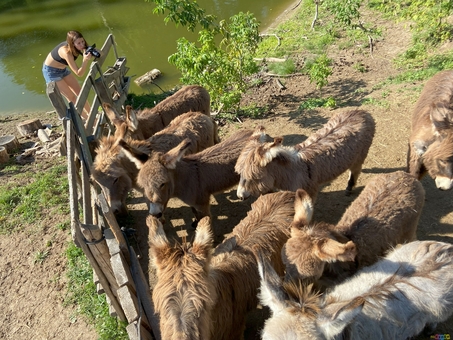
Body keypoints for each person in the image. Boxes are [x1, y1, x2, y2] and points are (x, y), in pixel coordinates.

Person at [42, 30, 96, 120]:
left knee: (80, 92)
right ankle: (88, 119)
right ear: (72, 44)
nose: (82, 44)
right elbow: (79, 73)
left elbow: (88, 50)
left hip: (62, 69)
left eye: (82, 41)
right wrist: (85, 60)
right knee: (71, 97)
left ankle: (92, 114)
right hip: (51, 72)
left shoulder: (80, 46)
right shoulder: (66, 52)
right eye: (78, 43)